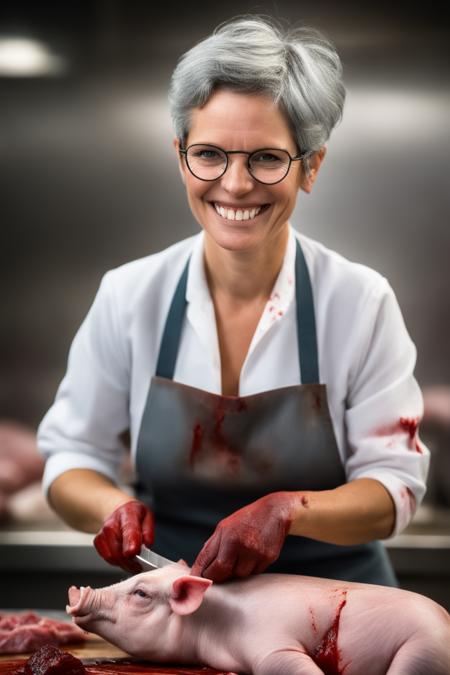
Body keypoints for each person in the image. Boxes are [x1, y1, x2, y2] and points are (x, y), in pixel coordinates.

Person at [37, 16, 429, 586]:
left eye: (266, 158)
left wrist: (287, 512)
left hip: (340, 607)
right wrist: (109, 508)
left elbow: (394, 489)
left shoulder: (359, 301)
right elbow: (70, 458)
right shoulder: (130, 296)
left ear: (312, 166)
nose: (236, 184)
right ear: (180, 157)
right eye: (210, 154)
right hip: (180, 602)